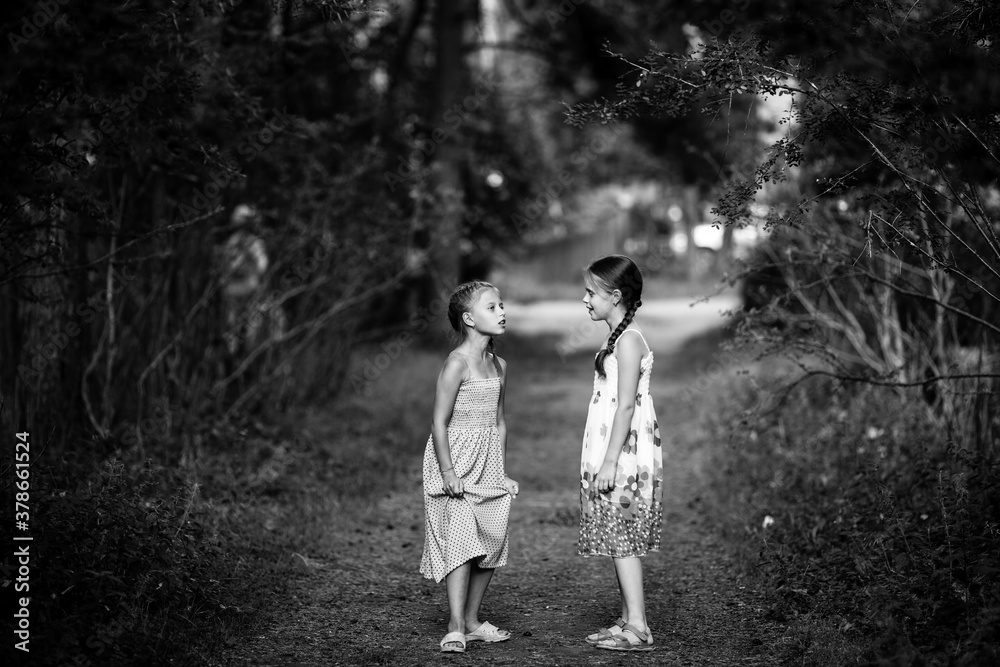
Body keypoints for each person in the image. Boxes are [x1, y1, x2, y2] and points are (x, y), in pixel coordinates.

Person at [420, 280, 520, 654]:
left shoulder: (499, 365)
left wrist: (501, 472)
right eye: (492, 307)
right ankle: (455, 625)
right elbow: (438, 422)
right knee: (462, 538)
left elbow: (499, 422)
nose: (502, 311)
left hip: (487, 462)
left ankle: (473, 620)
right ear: (469, 319)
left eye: (501, 305)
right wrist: (448, 472)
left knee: (492, 537)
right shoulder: (456, 364)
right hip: (455, 462)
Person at [578, 254, 663, 652]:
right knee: (617, 535)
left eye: (591, 293)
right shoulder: (617, 336)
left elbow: (626, 406)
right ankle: (629, 618)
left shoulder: (628, 341)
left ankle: (639, 627)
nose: (585, 300)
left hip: (624, 454)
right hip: (611, 449)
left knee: (623, 537)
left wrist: (610, 461)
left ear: (614, 296)